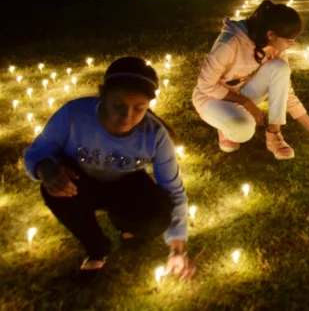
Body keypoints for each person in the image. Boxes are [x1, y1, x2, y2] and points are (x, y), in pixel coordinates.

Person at [23, 57, 195, 279]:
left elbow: (173, 190)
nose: (126, 117)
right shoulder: (74, 115)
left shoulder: (154, 135)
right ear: (103, 94)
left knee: (160, 212)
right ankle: (96, 247)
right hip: (79, 182)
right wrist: (46, 168)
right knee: (55, 191)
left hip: (125, 184)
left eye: (139, 108)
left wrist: (177, 249)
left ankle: (126, 226)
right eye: (118, 105)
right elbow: (36, 152)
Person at [193, 0, 309, 157]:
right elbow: (205, 85)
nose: (293, 45)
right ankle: (225, 125)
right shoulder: (230, 42)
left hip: (240, 91)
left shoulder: (275, 49)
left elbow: (286, 93)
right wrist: (246, 103)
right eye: (289, 40)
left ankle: (274, 135)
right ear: (271, 35)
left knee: (280, 67)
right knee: (243, 131)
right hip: (211, 98)